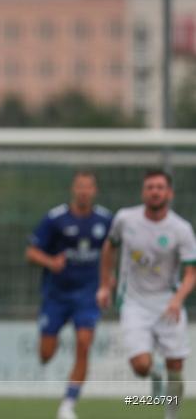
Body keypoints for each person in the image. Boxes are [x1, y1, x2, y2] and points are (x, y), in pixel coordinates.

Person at [97, 169, 196, 419]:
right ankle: (155, 372)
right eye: (150, 187)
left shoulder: (181, 229)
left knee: (177, 367)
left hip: (167, 303)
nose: (155, 191)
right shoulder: (125, 219)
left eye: (160, 187)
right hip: (134, 302)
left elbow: (191, 273)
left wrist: (177, 300)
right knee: (141, 366)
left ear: (169, 193)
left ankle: (170, 416)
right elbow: (109, 247)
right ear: (143, 192)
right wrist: (105, 285)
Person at [25, 170, 113, 419]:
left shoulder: (106, 220)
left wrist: (109, 279)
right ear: (73, 190)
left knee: (84, 344)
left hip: (88, 295)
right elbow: (31, 253)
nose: (84, 191)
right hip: (56, 296)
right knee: (46, 355)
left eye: (88, 187)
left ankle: (68, 405)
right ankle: (51, 335)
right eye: (80, 187)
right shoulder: (55, 219)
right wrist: (51, 262)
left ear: (94, 191)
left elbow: (115, 251)